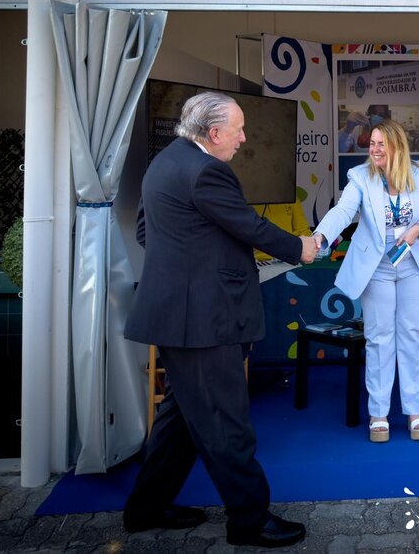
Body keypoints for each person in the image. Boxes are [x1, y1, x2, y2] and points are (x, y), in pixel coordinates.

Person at [123, 92, 318, 548]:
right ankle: (249, 521)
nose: (243, 138)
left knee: (180, 418)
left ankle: (145, 508)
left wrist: (191, 265)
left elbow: (147, 232)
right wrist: (299, 247)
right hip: (204, 319)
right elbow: (249, 225)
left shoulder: (164, 162)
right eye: (238, 129)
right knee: (226, 422)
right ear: (213, 134)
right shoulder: (208, 170)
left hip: (177, 314)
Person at [311, 120, 419, 442]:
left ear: (397, 146)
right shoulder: (360, 176)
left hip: (413, 264)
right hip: (377, 268)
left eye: (381, 144)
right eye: (371, 143)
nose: (374, 149)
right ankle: (379, 413)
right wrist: (320, 235)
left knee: (413, 336)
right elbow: (344, 211)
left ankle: (415, 410)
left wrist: (417, 230)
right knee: (379, 338)